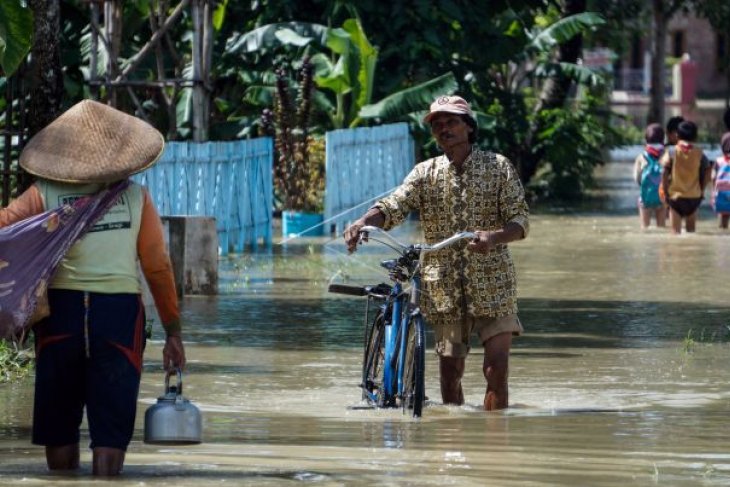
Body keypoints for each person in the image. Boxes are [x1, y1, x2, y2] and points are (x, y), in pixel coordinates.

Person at [0, 100, 186, 476]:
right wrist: (173, 331)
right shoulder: (136, 198)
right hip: (118, 317)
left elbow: (6, 230)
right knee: (110, 435)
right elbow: (157, 267)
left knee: (59, 427)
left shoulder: (43, 193)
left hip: (60, 317)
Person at [343, 95, 529, 411]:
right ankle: (454, 446)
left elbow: (520, 220)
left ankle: (496, 446)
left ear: (469, 128)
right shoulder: (424, 173)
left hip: (493, 282)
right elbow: (393, 205)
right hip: (442, 287)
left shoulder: (498, 167)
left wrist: (493, 237)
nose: (444, 129)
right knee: (450, 375)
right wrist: (364, 221)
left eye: (451, 122)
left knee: (496, 369)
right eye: (437, 125)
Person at [660, 120, 711, 234]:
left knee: (675, 234)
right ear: (696, 137)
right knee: (691, 232)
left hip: (675, 197)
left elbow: (663, 172)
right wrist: (701, 190)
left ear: (677, 135)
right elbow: (708, 172)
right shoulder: (700, 153)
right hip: (693, 197)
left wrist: (665, 191)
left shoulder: (672, 151)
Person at [633, 123, 666, 228]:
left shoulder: (642, 156)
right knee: (661, 227)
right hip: (662, 197)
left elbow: (637, 178)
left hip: (645, 197)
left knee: (645, 228)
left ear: (646, 139)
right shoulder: (666, 155)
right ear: (663, 139)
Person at [710, 132, 730, 229]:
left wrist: (713, 194)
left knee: (723, 222)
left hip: (722, 197)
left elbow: (713, 177)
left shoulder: (718, 161)